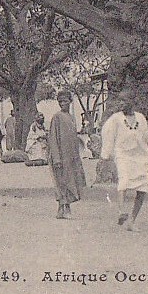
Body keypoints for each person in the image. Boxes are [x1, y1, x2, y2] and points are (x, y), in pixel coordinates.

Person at [101, 97, 148, 232]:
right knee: (124, 181)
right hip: (123, 155)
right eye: (120, 102)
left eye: (125, 101)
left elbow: (145, 136)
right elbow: (108, 134)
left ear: (133, 103)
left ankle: (132, 220)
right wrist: (106, 155)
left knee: (143, 187)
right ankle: (121, 212)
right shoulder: (116, 119)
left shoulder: (140, 118)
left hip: (138, 156)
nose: (122, 104)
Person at [47, 91, 87, 219]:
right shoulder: (57, 117)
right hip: (60, 156)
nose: (62, 104)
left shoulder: (71, 118)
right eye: (60, 102)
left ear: (70, 101)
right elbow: (53, 138)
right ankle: (62, 208)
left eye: (65, 101)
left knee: (70, 181)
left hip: (71, 156)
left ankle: (67, 207)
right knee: (61, 182)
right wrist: (56, 158)